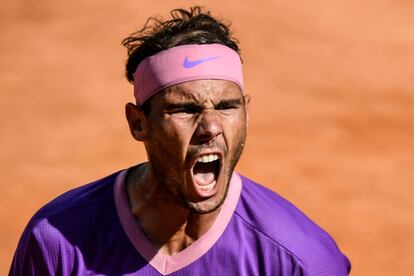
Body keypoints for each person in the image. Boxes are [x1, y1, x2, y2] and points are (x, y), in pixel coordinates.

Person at [10, 6, 351, 276]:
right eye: (186, 109)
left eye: (227, 106)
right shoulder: (58, 241)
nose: (211, 126)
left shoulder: (299, 261)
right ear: (138, 124)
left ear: (247, 112)